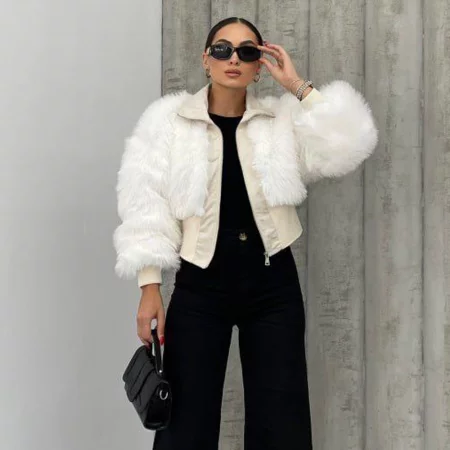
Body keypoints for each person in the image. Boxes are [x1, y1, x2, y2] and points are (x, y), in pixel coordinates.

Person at [113, 16, 378, 450]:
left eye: (247, 52)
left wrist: (297, 87)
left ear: (259, 66)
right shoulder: (168, 122)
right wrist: (149, 286)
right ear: (206, 59)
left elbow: (349, 144)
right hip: (200, 286)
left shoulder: (280, 120)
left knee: (281, 423)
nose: (233, 59)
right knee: (185, 426)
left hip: (273, 286)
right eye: (222, 49)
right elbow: (144, 203)